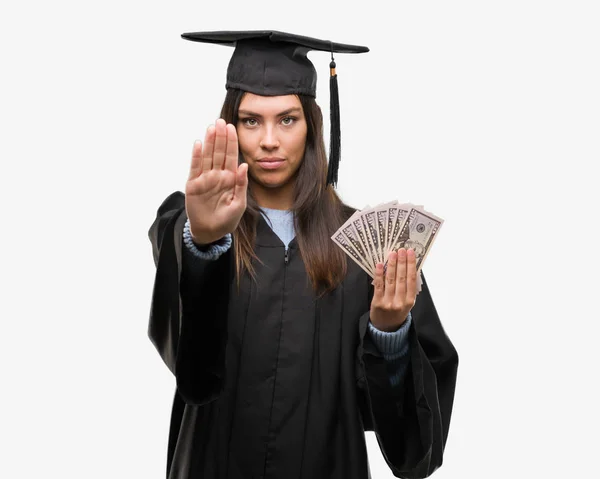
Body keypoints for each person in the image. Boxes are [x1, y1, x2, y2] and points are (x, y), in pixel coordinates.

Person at [148, 30, 458, 479]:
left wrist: (389, 336)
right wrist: (206, 246)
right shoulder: (189, 225)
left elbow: (413, 454)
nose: (269, 140)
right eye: (251, 121)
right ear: (230, 126)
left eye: (287, 119)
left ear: (312, 124)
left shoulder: (366, 250)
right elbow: (194, 377)